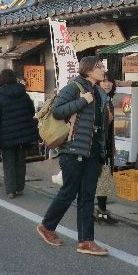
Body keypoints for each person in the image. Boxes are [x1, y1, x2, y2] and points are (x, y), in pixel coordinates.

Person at [37, 56, 111, 256]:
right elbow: (57, 111)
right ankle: (47, 226)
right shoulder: (74, 87)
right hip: (72, 150)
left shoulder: (98, 91)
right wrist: (81, 101)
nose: (103, 69)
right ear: (88, 70)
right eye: (99, 66)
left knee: (87, 196)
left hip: (92, 151)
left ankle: (86, 241)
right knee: (69, 191)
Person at [0, 69, 39, 199]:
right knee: (20, 161)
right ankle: (19, 188)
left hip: (6, 135)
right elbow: (31, 111)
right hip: (23, 134)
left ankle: (11, 190)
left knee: (9, 163)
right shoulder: (23, 93)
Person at [95, 74, 118, 224]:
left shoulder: (109, 102)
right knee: (94, 180)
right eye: (104, 81)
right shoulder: (96, 100)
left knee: (104, 180)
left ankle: (102, 212)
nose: (107, 84)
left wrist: (112, 147)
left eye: (110, 81)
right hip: (95, 147)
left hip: (105, 146)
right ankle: (91, 212)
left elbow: (109, 129)